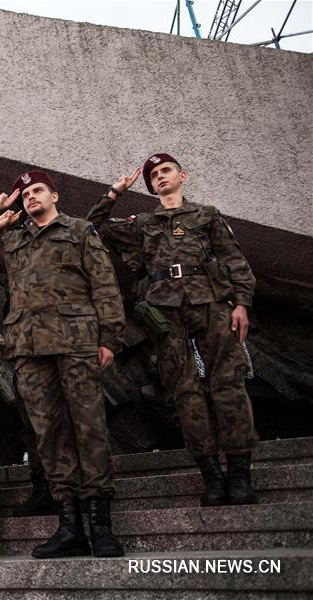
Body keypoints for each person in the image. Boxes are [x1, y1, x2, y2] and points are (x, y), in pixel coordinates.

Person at [0, 170, 126, 558]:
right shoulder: (12, 240)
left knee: (89, 428)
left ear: (55, 195)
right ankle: (69, 525)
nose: (31, 197)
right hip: (30, 351)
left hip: (76, 344)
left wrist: (110, 339)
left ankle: (101, 526)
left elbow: (104, 285)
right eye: (25, 194)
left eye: (38, 191)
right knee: (48, 434)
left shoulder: (80, 231)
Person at [87, 154, 259, 506]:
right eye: (153, 175)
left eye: (166, 170)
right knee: (185, 391)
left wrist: (241, 303)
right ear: (149, 186)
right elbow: (94, 227)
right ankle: (211, 475)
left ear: (182, 175)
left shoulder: (206, 215)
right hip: (165, 313)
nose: (160, 177)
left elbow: (234, 259)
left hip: (211, 303)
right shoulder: (143, 223)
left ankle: (240, 474)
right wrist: (115, 191)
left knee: (228, 384)